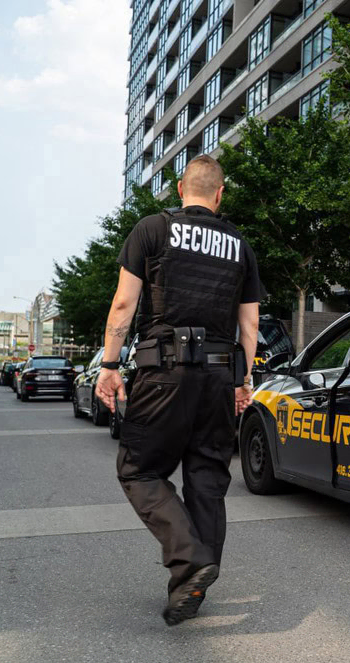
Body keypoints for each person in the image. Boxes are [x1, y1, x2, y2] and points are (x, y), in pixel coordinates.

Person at [95, 155, 264, 626]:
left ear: (177, 187)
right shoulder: (240, 246)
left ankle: (188, 561)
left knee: (138, 469)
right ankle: (189, 585)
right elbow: (248, 325)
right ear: (219, 193)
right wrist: (242, 380)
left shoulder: (151, 229)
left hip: (164, 372)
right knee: (207, 481)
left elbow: (124, 303)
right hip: (217, 377)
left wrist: (110, 365)